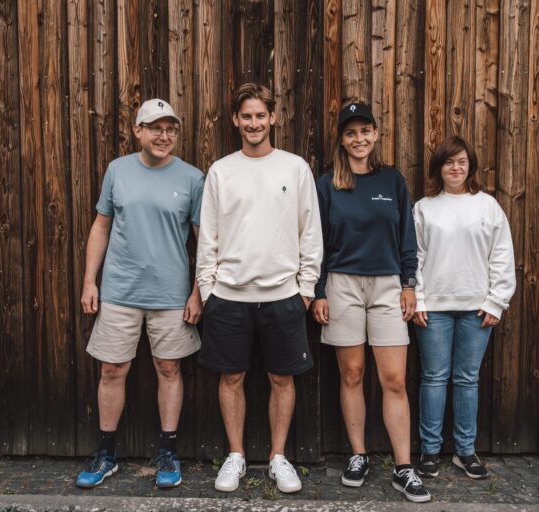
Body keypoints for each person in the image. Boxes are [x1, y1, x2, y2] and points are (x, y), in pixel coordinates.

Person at [195, 83, 322, 494]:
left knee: (282, 379)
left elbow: (310, 232)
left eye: (260, 115)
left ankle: (278, 457)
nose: (253, 123)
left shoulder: (294, 167)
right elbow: (207, 236)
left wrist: (305, 289)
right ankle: (235, 456)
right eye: (246, 116)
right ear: (236, 120)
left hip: (283, 296)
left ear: (273, 118)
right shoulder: (221, 170)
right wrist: (208, 290)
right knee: (231, 378)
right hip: (229, 296)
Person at [76, 99, 205, 489]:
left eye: (170, 129)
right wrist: (89, 280)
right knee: (112, 370)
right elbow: (101, 226)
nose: (164, 136)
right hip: (119, 291)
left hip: (171, 295)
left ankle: (167, 451)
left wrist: (198, 292)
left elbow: (205, 241)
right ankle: (106, 453)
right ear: (138, 131)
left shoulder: (192, 178)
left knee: (169, 370)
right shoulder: (118, 171)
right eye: (155, 128)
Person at [311, 102, 431, 503]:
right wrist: (319, 290)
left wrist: (409, 283)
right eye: (350, 133)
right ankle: (359, 454)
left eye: (365, 131)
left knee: (394, 379)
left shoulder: (392, 180)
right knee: (352, 374)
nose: (358, 139)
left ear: (376, 134)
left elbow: (406, 238)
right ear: (342, 140)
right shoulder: (328, 184)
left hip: (386, 286)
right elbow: (317, 243)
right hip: (342, 284)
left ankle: (403, 467)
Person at [413, 136, 516, 480]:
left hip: (477, 308)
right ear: (438, 168)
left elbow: (501, 256)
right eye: (448, 162)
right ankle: (429, 451)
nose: (455, 168)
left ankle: (465, 451)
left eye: (461, 162)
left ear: (470, 166)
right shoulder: (424, 208)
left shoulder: (487, 207)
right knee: (434, 378)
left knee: (467, 379)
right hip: (434, 308)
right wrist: (419, 300)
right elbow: (415, 257)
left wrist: (496, 301)